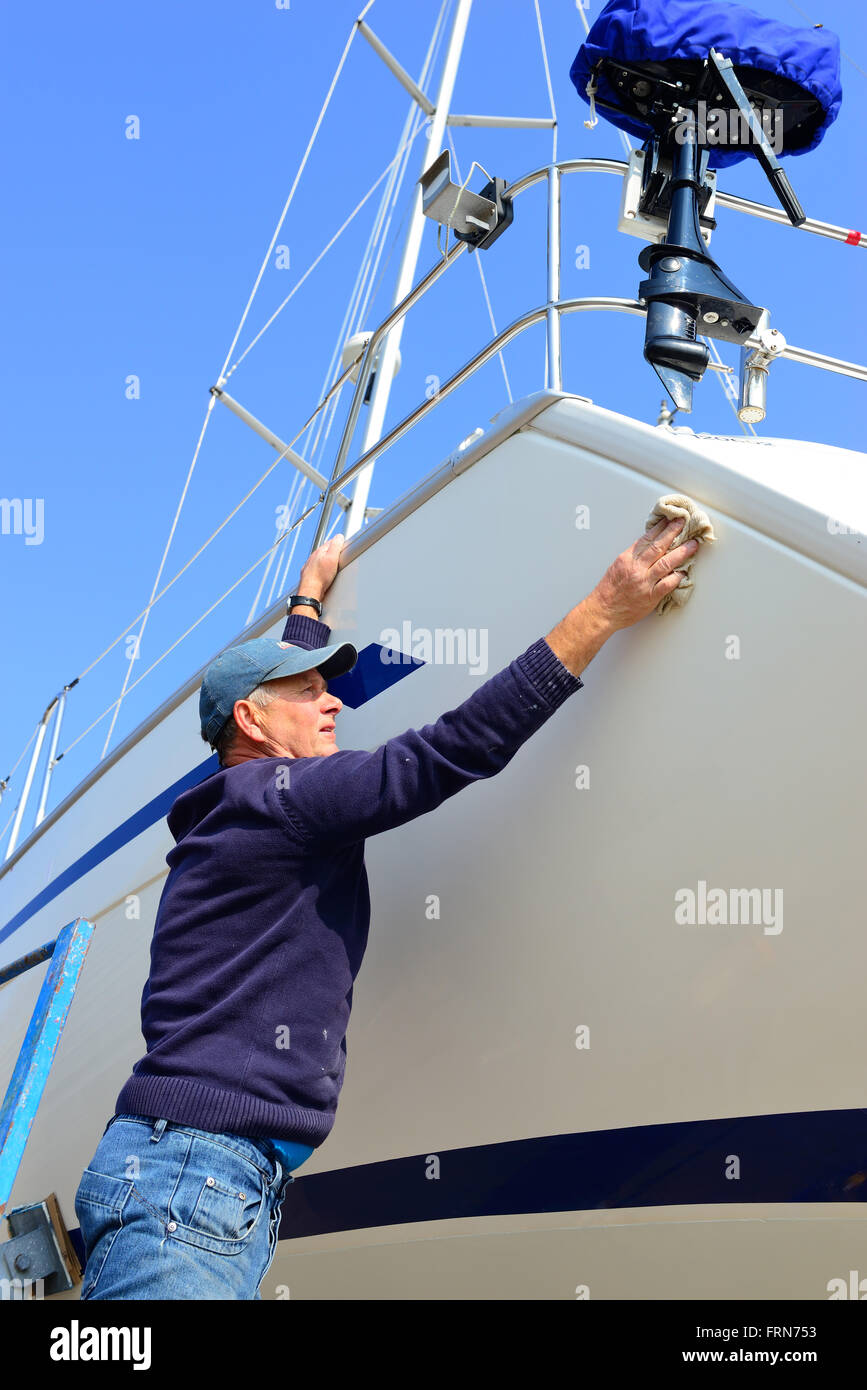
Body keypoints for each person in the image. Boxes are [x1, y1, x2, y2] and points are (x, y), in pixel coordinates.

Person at [74, 517, 699, 1299]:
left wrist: (306, 599)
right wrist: (602, 610)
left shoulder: (239, 806)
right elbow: (449, 750)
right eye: (307, 691)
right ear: (251, 722)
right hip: (195, 1179)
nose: (332, 700)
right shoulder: (281, 799)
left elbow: (281, 713)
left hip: (190, 1171)